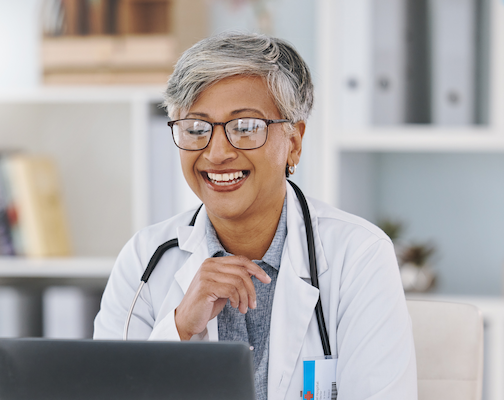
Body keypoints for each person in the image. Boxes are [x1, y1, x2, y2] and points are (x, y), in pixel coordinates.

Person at [94, 32, 417, 400]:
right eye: (197, 129)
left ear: (293, 142)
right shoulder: (144, 259)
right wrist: (180, 327)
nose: (216, 153)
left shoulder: (359, 255)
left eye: (245, 127)